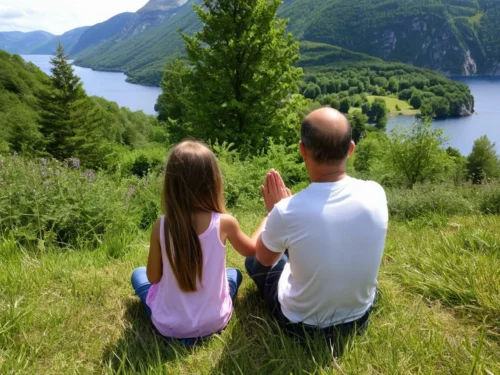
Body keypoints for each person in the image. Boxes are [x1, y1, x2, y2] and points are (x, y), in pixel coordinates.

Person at [246, 107, 389, 339]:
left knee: (253, 259)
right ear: (351, 149)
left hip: (301, 326)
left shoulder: (286, 211)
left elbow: (263, 260)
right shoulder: (376, 192)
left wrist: (273, 213)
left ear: (303, 150)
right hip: (358, 317)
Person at [131, 140, 257, 345]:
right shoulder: (225, 223)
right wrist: (268, 217)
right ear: (213, 181)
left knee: (138, 274)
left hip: (170, 326)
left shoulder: (161, 225)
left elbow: (153, 277)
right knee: (233, 274)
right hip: (214, 322)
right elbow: (252, 249)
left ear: (172, 185)